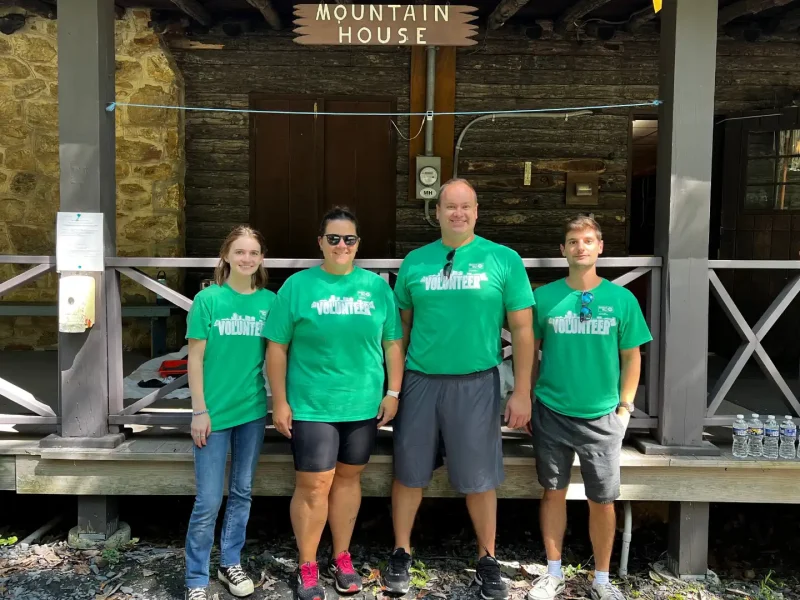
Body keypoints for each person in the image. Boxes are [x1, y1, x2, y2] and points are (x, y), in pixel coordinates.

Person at [382, 178, 535, 600]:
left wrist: (521, 391)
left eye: (465, 206)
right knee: (409, 471)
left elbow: (523, 331)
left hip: (477, 382)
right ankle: (401, 551)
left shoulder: (503, 260)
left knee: (480, 476)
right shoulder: (415, 262)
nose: (458, 214)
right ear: (437, 212)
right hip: (420, 380)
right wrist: (392, 388)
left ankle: (487, 559)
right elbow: (401, 328)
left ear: (477, 211)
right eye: (450, 206)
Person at [264, 206, 405, 600]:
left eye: (349, 239)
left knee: (348, 479)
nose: (342, 245)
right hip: (311, 403)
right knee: (313, 485)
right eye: (334, 238)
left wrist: (393, 392)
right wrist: (280, 400)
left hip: (362, 404)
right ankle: (307, 565)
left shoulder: (378, 288)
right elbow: (276, 348)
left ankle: (341, 556)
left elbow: (392, 342)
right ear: (320, 243)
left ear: (358, 244)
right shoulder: (297, 287)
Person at [527, 216, 652, 600]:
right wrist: (529, 399)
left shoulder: (621, 299)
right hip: (551, 410)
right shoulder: (545, 298)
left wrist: (626, 407)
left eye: (587, 241)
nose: (580, 247)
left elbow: (632, 357)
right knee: (553, 492)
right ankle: (552, 572)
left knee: (603, 499)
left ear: (600, 248)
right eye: (572, 241)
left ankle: (602, 579)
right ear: (562, 250)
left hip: (602, 416)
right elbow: (529, 353)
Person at [183, 226, 275, 600]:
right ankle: (195, 578)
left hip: (252, 411)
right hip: (213, 415)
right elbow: (195, 358)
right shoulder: (208, 301)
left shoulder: (270, 301)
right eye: (240, 252)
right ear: (226, 256)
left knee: (241, 492)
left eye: (253, 252)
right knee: (207, 500)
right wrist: (199, 410)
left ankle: (230, 562)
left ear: (261, 259)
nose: (247, 259)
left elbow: (277, 355)